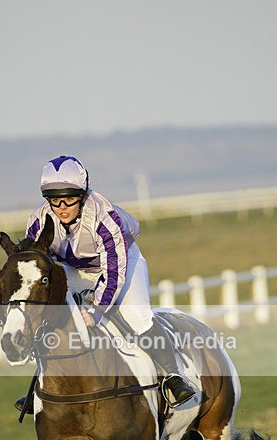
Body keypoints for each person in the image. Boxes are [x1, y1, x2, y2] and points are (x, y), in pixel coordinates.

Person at [15, 155, 195, 412]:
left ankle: (174, 376)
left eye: (69, 198)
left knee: (138, 317)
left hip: (122, 262)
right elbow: (38, 267)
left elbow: (112, 273)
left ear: (82, 193)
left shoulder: (103, 217)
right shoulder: (38, 222)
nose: (62, 206)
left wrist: (96, 311)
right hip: (75, 268)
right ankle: (38, 387)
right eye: (54, 199)